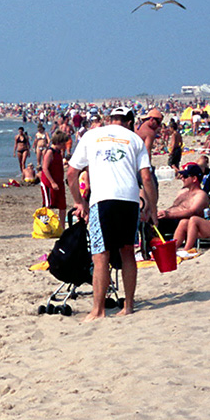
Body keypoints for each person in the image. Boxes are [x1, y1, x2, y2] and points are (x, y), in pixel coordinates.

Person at [65, 106, 156, 322]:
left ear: (110, 119)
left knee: (100, 255)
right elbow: (146, 177)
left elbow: (71, 173)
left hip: (103, 198)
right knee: (127, 252)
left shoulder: (92, 135)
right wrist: (152, 207)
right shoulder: (135, 140)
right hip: (130, 199)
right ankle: (129, 305)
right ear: (129, 122)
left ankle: (98, 310)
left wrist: (79, 202)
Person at [155, 163, 209, 239]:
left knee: (153, 222)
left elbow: (192, 212)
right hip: (170, 219)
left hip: (181, 223)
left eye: (185, 176)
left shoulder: (201, 195)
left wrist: (169, 215)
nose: (182, 178)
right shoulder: (182, 192)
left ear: (194, 179)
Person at [40, 131, 68, 212]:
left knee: (62, 205)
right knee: (48, 205)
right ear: (58, 142)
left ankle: (62, 225)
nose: (64, 146)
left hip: (59, 181)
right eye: (63, 144)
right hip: (48, 183)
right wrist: (52, 182)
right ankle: (46, 223)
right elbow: (45, 168)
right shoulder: (50, 152)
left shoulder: (59, 152)